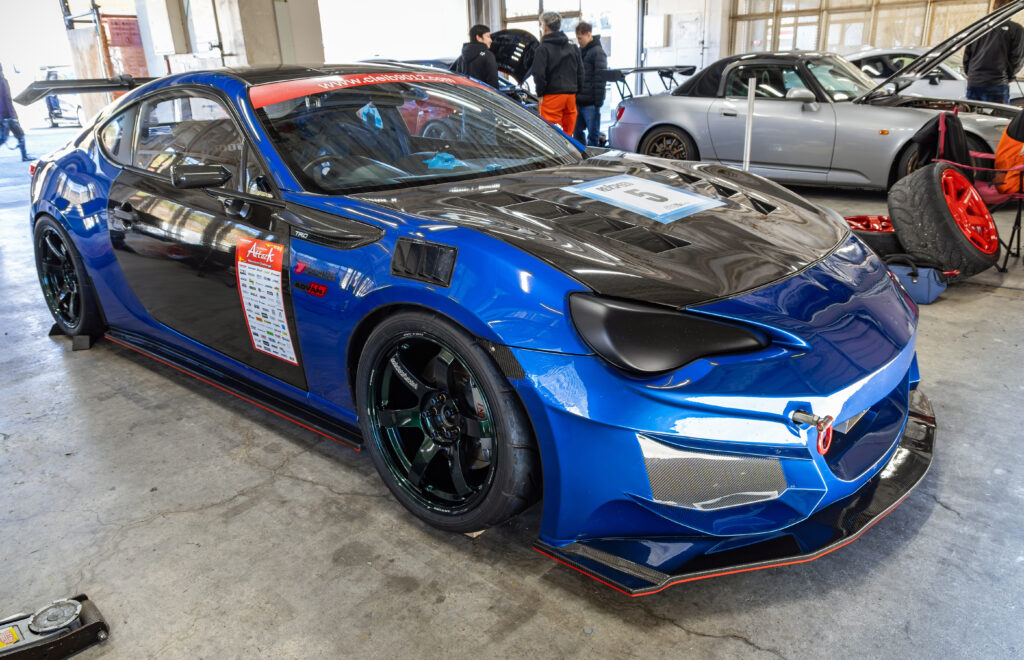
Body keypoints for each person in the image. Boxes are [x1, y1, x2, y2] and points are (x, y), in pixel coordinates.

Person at [531, 11, 584, 135]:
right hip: (570, 96)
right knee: (568, 135)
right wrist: (576, 91)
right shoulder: (572, 46)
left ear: (544, 27)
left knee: (551, 135)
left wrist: (540, 93)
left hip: (552, 97)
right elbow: (580, 72)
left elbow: (538, 74)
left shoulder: (542, 48)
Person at [963, 0, 1024, 104]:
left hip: (974, 82)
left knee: (973, 113)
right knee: (998, 114)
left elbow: (967, 57)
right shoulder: (1016, 29)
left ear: (993, 7)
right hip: (997, 83)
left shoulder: (977, 27)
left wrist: (972, 75)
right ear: (1012, 9)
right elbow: (1017, 59)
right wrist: (1008, 78)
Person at [573, 21, 608, 147]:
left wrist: (598, 101)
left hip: (591, 103)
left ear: (588, 34)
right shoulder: (580, 51)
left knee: (593, 136)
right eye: (577, 38)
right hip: (579, 101)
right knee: (577, 133)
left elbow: (601, 78)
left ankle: (592, 157)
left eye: (580, 38)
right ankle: (581, 155)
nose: (579, 42)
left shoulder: (598, 52)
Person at [0, 63, 30, 162]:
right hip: (6, 115)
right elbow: (7, 98)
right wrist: (13, 116)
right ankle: (24, 156)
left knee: (4, 138)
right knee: (18, 135)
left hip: (3, 116)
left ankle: (25, 156)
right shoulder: (2, 81)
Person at [454, 24, 499, 89]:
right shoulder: (488, 55)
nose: (491, 40)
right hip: (482, 94)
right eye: (488, 36)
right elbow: (493, 83)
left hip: (465, 94)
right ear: (479, 38)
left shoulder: (461, 57)